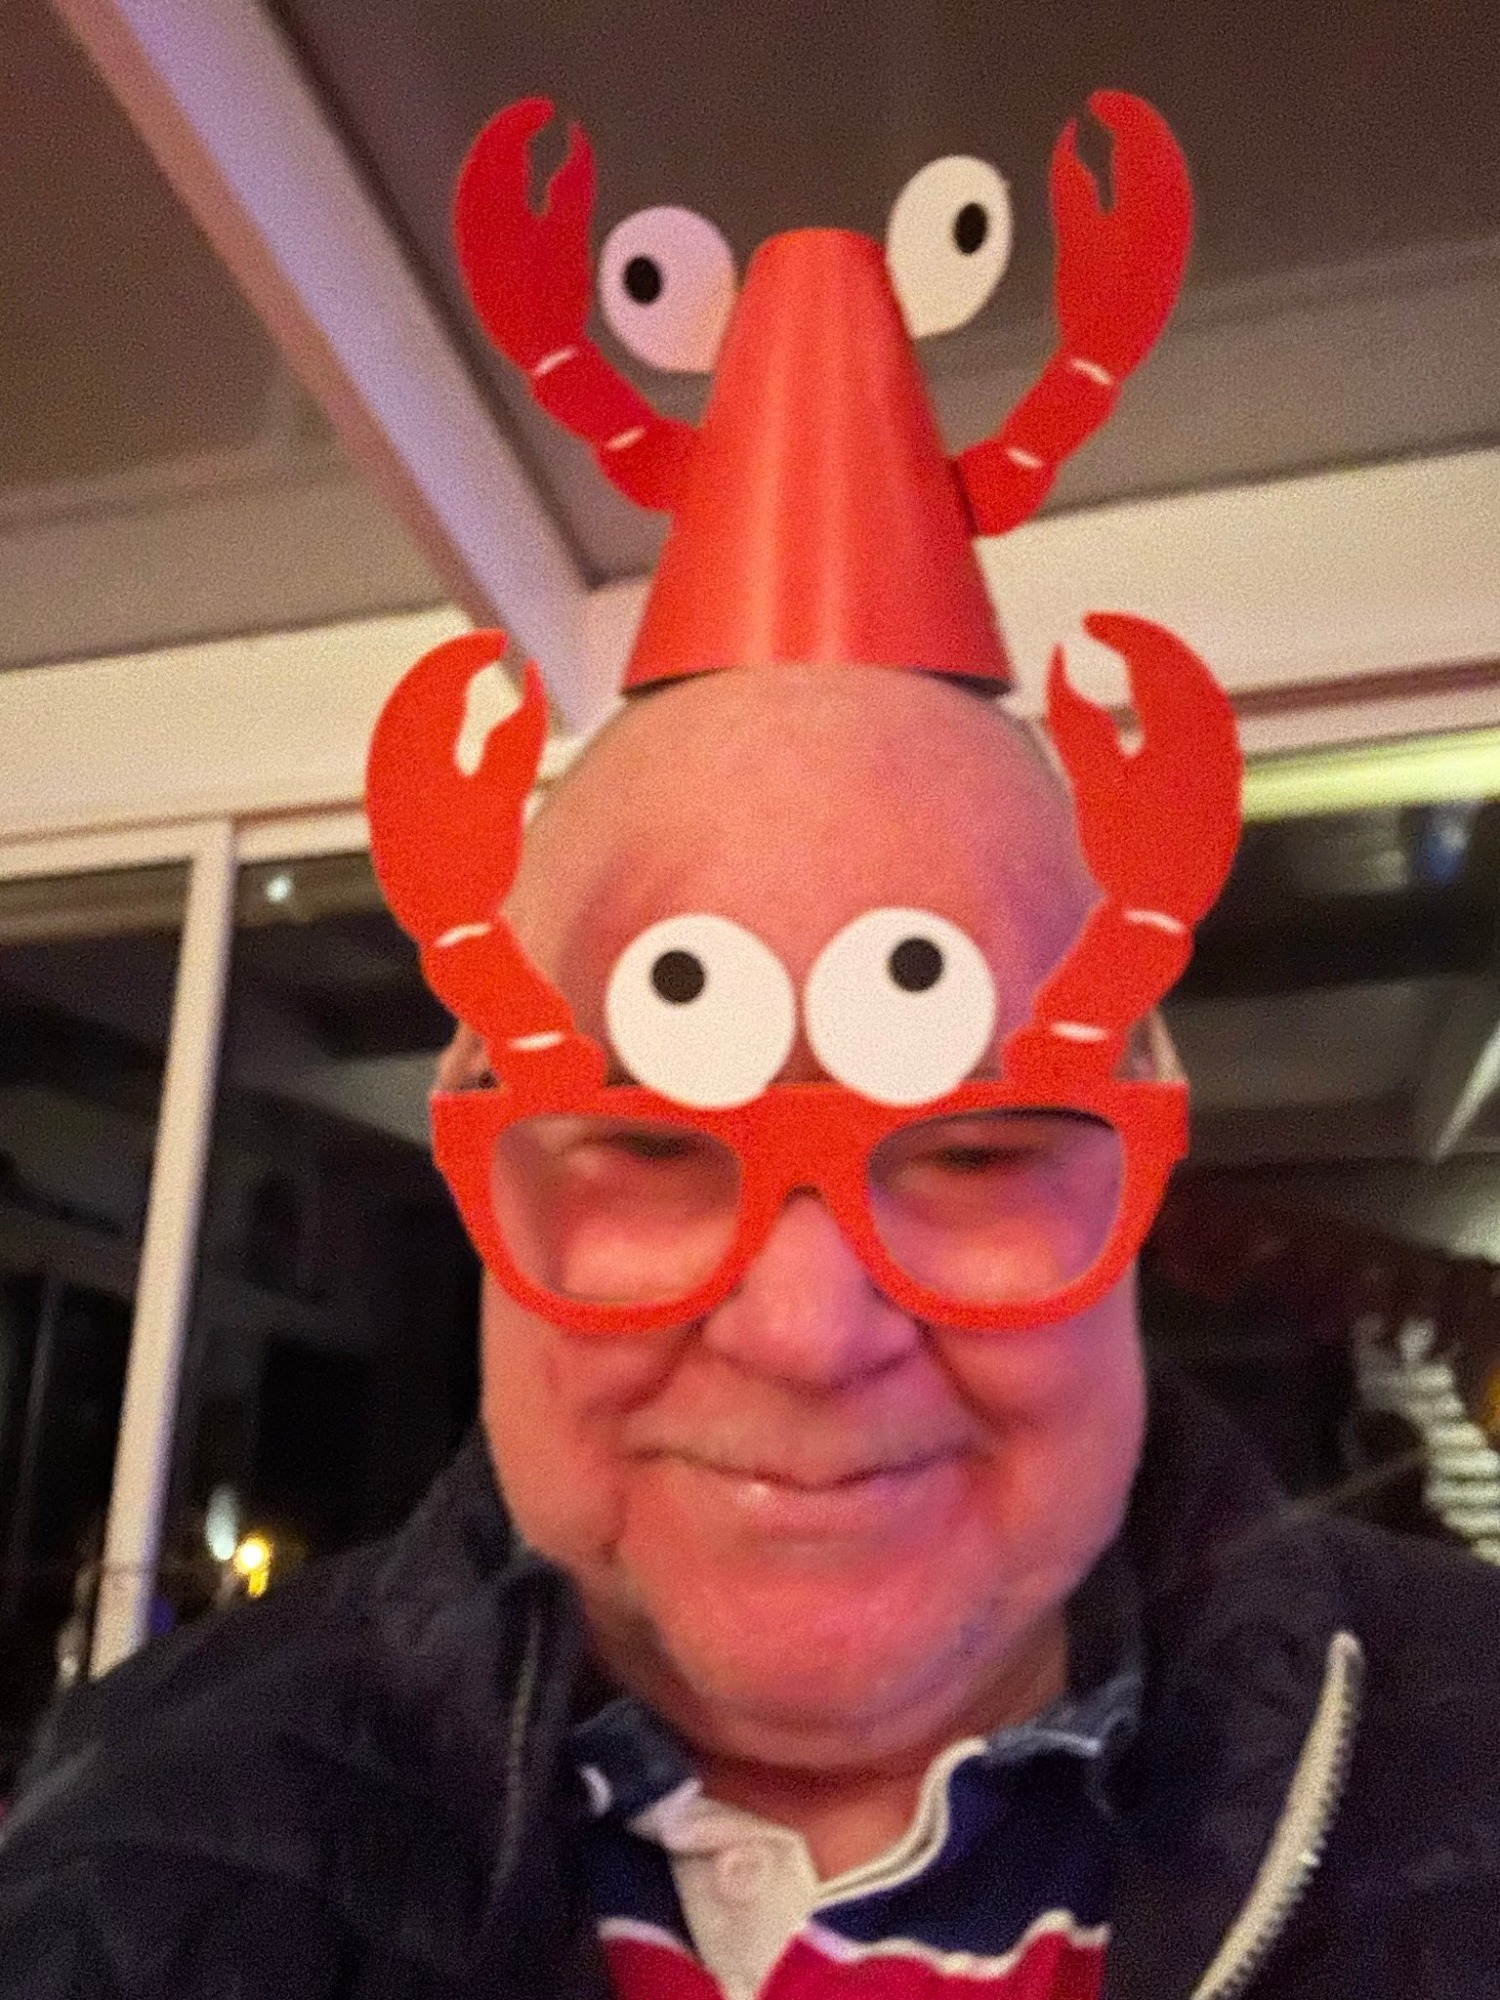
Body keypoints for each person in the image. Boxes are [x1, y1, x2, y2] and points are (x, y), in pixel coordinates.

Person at [5, 91, 1500, 2000]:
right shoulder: (120, 1870)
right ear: (479, 1143)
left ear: (1140, 1151)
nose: (805, 1326)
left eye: (972, 1146)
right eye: (645, 1141)